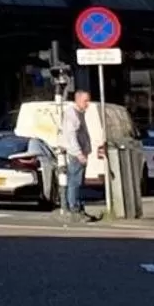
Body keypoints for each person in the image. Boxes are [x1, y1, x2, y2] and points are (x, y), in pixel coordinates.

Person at [59, 88, 92, 222]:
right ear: (77, 100)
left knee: (78, 181)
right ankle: (74, 208)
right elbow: (71, 136)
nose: (87, 104)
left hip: (80, 153)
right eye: (85, 101)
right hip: (76, 154)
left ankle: (78, 207)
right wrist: (79, 153)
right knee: (75, 182)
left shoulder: (79, 113)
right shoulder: (72, 114)